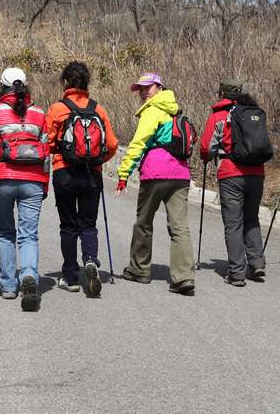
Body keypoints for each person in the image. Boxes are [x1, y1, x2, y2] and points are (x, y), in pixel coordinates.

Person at [0, 67, 49, 312]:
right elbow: (46, 152)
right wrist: (44, 183)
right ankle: (29, 277)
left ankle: (8, 286)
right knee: (29, 234)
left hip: (1, 178)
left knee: (5, 231)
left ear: (2, 85)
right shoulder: (38, 112)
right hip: (33, 179)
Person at [114, 72, 195, 296]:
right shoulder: (175, 110)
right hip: (180, 173)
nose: (143, 91)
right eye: (140, 88)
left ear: (159, 86)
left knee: (143, 223)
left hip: (156, 172)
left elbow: (139, 142)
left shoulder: (153, 110)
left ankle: (139, 270)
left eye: (147, 87)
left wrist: (124, 173)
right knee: (179, 227)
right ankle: (184, 278)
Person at [45, 61, 118, 297]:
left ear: (66, 82)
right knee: (88, 224)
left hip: (64, 172)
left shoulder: (57, 109)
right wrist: (98, 160)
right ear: (87, 82)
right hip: (91, 175)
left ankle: (70, 277)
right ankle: (89, 260)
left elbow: (47, 141)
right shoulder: (99, 109)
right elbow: (112, 144)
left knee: (68, 225)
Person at [200, 80, 267, 287]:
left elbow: (206, 148)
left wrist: (207, 157)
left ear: (221, 94)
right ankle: (256, 264)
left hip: (231, 174)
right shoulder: (254, 113)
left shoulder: (219, 116)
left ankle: (237, 273)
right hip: (257, 173)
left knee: (233, 223)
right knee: (251, 218)